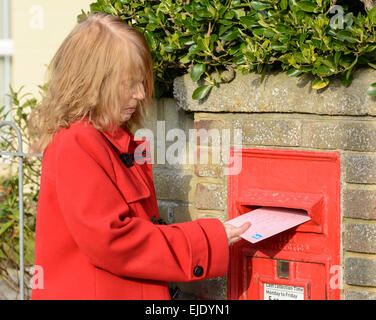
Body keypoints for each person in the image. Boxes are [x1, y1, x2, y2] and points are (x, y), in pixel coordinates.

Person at [28, 12, 250, 300]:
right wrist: (206, 241)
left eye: (142, 82)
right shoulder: (76, 143)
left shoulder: (111, 138)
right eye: (130, 83)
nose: (142, 93)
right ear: (93, 84)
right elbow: (114, 242)